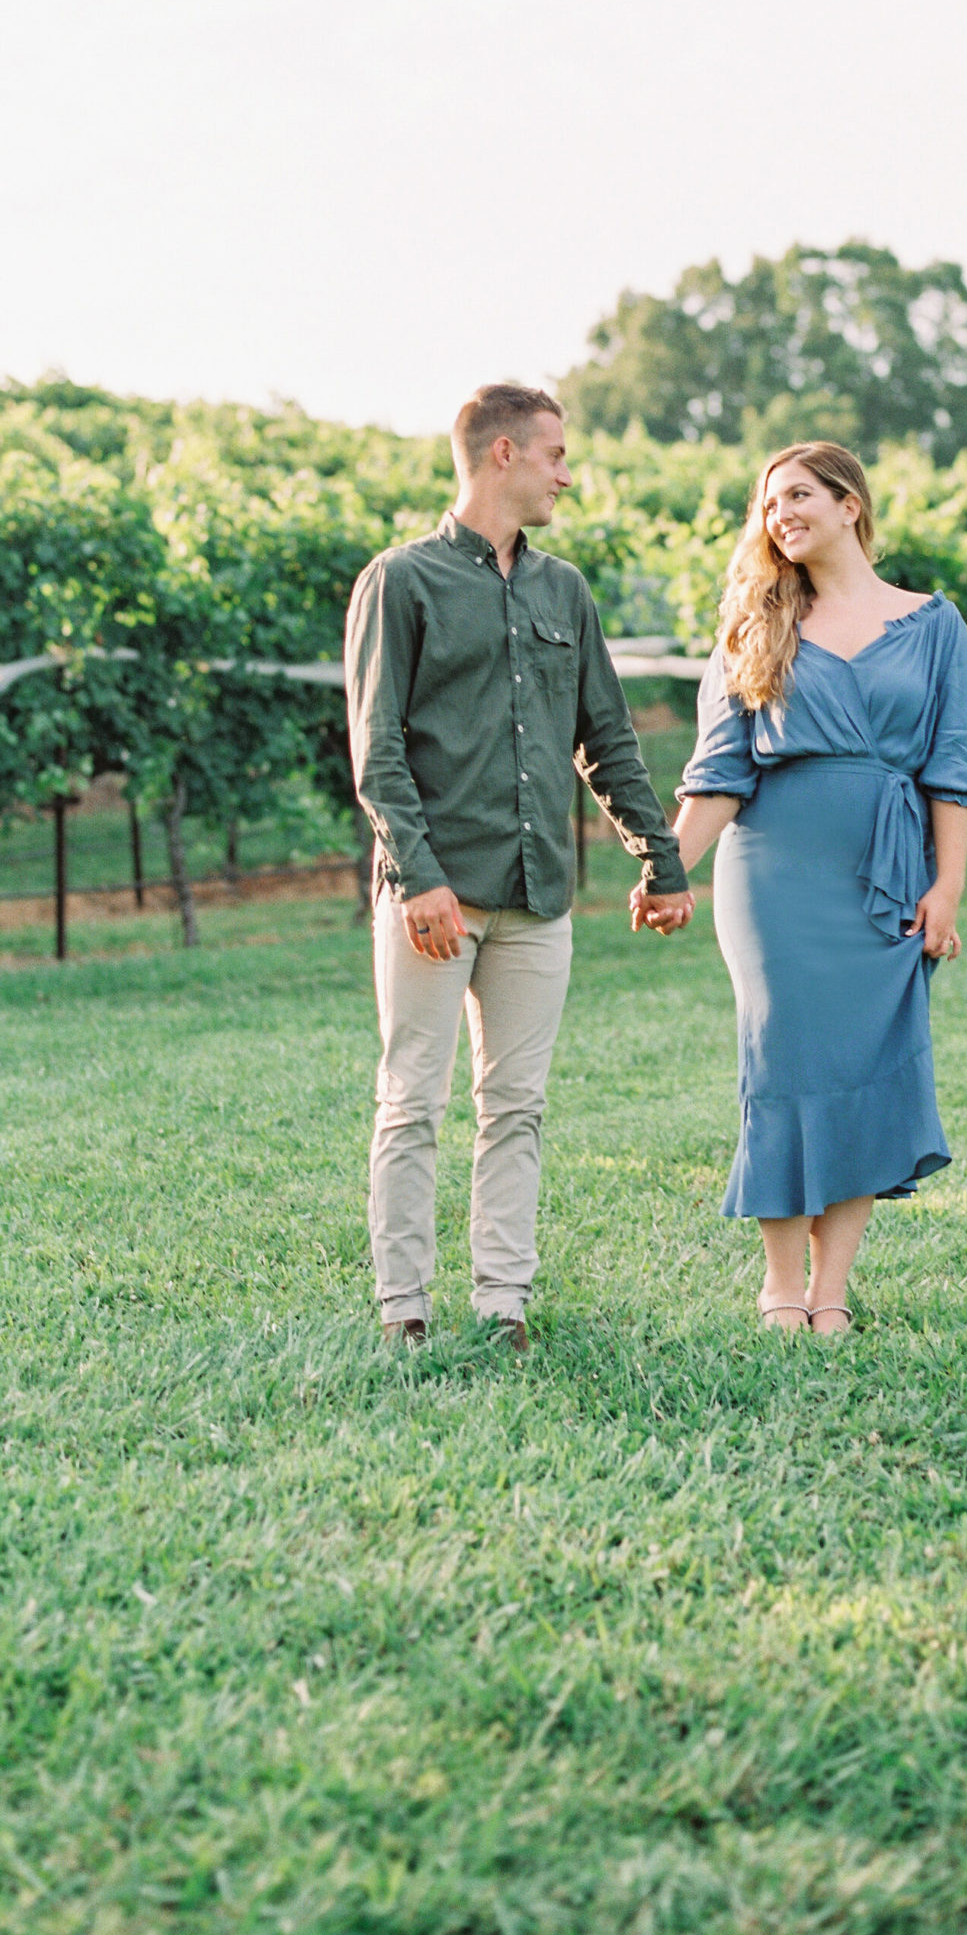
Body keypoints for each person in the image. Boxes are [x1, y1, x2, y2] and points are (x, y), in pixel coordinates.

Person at [345, 382, 694, 1349]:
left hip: (539, 898)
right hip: (434, 894)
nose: (566, 476)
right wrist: (417, 878)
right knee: (412, 1101)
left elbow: (606, 740)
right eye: (555, 457)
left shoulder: (563, 591)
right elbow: (376, 752)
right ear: (503, 454)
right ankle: (403, 1310)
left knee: (518, 1108)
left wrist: (659, 860)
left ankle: (504, 1305)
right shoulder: (401, 582)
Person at [670, 441, 967, 1336]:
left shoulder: (935, 625)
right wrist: (666, 867)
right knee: (783, 1061)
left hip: (886, 877)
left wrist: (947, 888)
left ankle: (833, 1287)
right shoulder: (755, 624)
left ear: (852, 504)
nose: (781, 516)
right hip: (773, 875)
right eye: (770, 505)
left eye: (799, 495)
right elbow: (719, 774)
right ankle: (780, 1283)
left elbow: (953, 767)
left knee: (862, 1070)